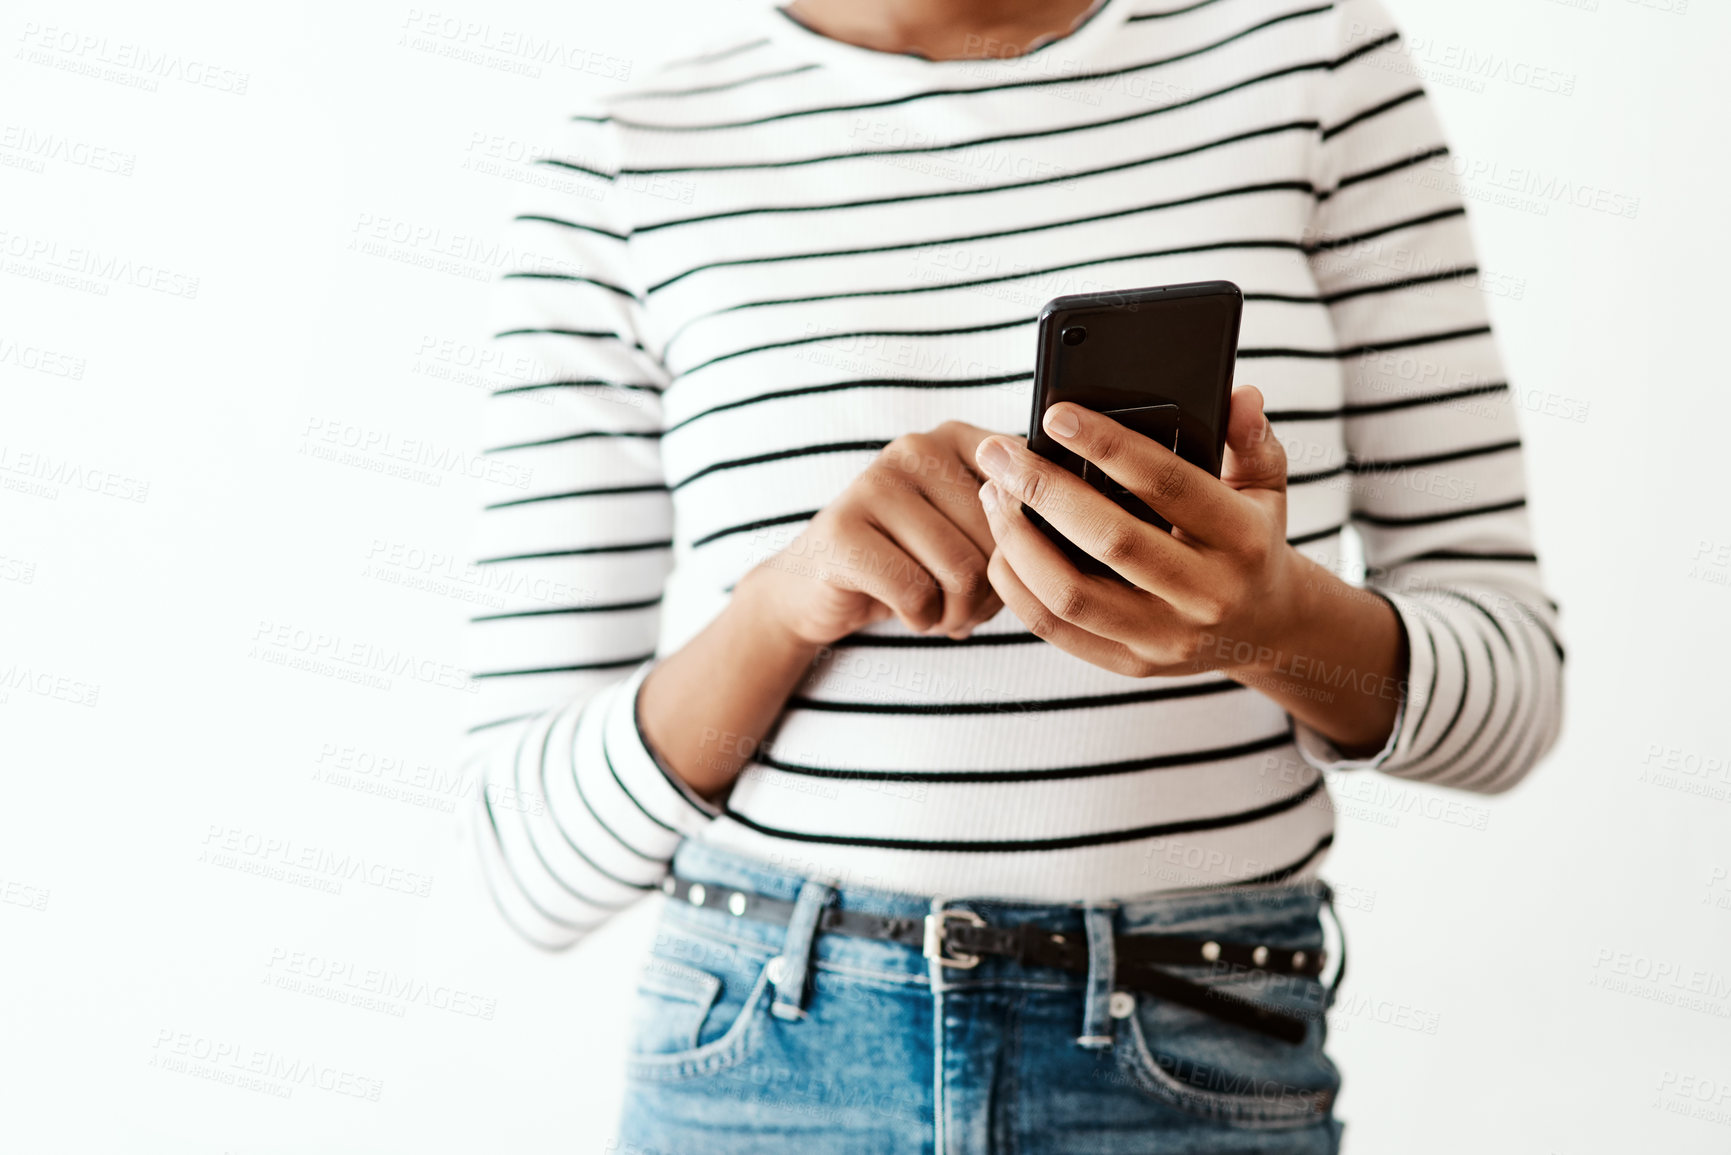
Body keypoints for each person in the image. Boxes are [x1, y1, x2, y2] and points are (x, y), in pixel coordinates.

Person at [461, 0, 1564, 1149]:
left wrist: (1269, 628)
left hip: (1190, 1047)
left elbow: (1517, 697)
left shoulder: (1313, 61)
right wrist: (786, 603)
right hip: (763, 1066)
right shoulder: (623, 162)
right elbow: (527, 859)